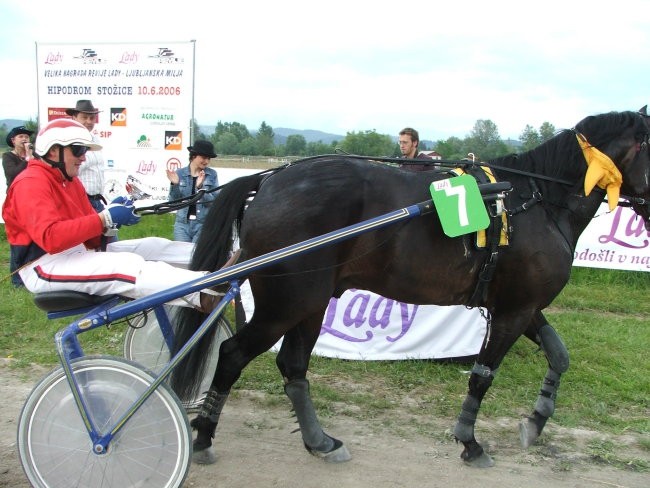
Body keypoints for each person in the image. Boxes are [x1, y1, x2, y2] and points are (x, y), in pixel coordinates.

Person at [1, 118, 217, 311]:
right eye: (78, 150)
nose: (83, 158)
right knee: (127, 265)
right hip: (43, 266)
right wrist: (104, 218)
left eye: (85, 150)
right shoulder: (30, 183)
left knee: (154, 245)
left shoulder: (69, 180)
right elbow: (52, 238)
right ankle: (204, 290)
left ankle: (219, 260)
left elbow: (93, 237)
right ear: (53, 151)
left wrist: (108, 220)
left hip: (76, 253)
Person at [166, 140, 219, 243]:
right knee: (180, 256)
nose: (206, 161)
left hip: (203, 225)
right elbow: (173, 201)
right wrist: (174, 185)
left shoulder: (212, 174)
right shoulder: (179, 173)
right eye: (204, 157)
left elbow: (212, 203)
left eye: (208, 158)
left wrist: (200, 188)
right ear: (193, 156)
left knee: (196, 256)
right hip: (182, 225)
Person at [65, 100, 107, 211]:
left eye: (92, 118)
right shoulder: (69, 140)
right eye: (84, 117)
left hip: (97, 199)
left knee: (107, 227)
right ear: (74, 118)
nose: (89, 121)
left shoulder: (95, 138)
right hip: (81, 200)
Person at [3, 125, 35, 190]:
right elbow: (12, 174)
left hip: (32, 191)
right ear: (13, 140)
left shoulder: (34, 155)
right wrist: (28, 159)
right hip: (15, 192)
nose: (24, 139)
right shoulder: (8, 156)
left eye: (27, 137)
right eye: (21, 136)